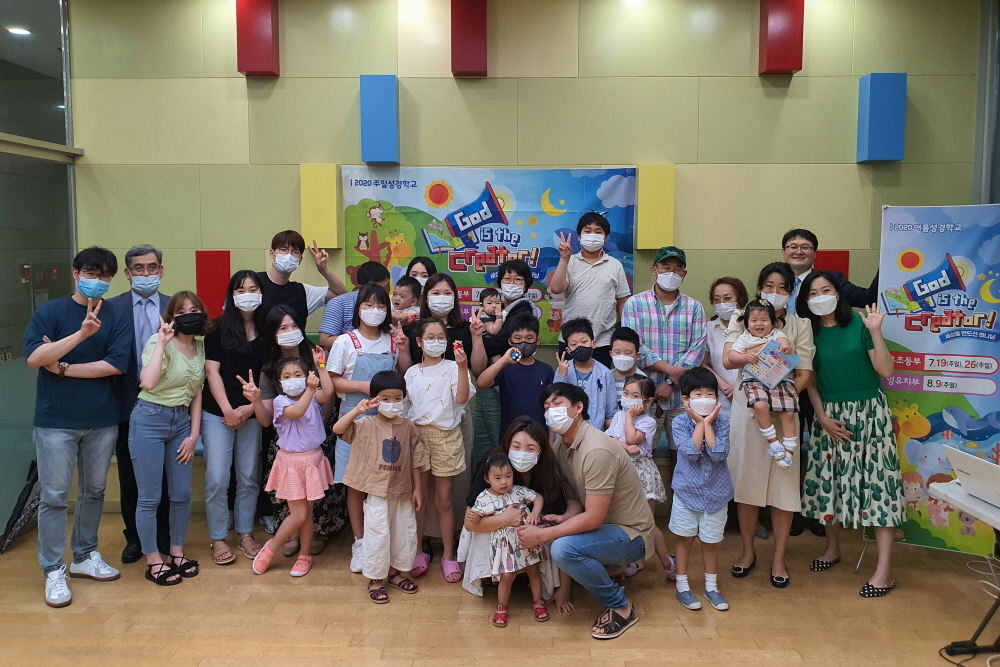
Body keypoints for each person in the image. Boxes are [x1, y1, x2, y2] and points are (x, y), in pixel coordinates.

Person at [24, 247, 130, 607]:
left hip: (102, 418)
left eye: (104, 276)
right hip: (55, 421)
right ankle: (54, 569)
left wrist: (62, 366)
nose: (97, 281)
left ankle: (84, 555)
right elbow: (35, 359)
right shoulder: (50, 312)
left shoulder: (117, 315)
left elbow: (114, 365)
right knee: (54, 495)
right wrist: (81, 336)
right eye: (90, 273)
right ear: (75, 273)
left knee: (94, 491)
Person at [517, 384, 655, 640]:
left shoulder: (596, 450)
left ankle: (620, 606)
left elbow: (593, 518)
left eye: (557, 404)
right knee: (555, 531)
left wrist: (542, 535)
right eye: (546, 407)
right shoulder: (561, 448)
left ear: (578, 407)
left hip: (630, 534)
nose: (550, 412)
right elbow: (574, 497)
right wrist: (565, 517)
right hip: (603, 529)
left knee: (563, 548)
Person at [796, 272, 902, 597]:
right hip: (829, 415)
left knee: (879, 487)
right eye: (813, 292)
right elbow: (810, 382)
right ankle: (832, 549)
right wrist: (822, 418)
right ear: (805, 300)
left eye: (826, 290)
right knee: (830, 483)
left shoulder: (860, 323)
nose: (820, 297)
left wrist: (876, 332)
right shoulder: (808, 333)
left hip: (870, 414)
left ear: (838, 294)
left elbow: (886, 370)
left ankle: (883, 572)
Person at [721, 262, 814, 589]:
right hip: (748, 410)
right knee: (746, 485)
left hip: (785, 411)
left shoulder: (800, 325)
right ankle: (748, 552)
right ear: (760, 288)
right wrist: (761, 361)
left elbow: (804, 372)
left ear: (791, 291)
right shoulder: (741, 317)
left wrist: (780, 397)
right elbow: (729, 359)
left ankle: (778, 558)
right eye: (769, 286)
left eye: (782, 287)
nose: (775, 292)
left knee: (784, 489)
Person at [461, 417, 581, 615]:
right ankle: (492, 574)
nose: (522, 453)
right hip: (495, 527)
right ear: (507, 445)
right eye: (516, 447)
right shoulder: (492, 466)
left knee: (551, 533)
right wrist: (505, 519)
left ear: (541, 451)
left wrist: (564, 589)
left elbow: (563, 528)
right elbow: (470, 524)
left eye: (530, 448)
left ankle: (534, 581)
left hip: (531, 530)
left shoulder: (547, 473)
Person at [329, 284, 411, 574]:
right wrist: (365, 387)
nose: (374, 311)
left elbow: (405, 375)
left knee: (384, 481)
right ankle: (360, 542)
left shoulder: (392, 341)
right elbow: (333, 381)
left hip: (388, 425)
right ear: (358, 309)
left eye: (380, 306)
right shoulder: (345, 342)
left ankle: (383, 542)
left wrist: (404, 350)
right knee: (356, 484)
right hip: (355, 422)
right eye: (368, 305)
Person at [130, 290, 208, 586]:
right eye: (181, 311)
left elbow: (197, 392)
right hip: (149, 419)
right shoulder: (157, 341)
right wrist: (162, 343)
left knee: (181, 494)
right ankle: (153, 560)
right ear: (171, 317)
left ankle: (177, 552)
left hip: (181, 423)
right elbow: (148, 382)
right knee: (150, 497)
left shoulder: (200, 345)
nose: (189, 315)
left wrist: (193, 435)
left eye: (194, 310)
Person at [255, 305, 345, 552]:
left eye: (294, 326)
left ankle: (314, 533)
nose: (290, 331)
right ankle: (291, 534)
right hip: (289, 438)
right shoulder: (269, 369)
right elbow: (268, 418)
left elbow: (328, 394)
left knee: (317, 489)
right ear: (272, 334)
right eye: (282, 328)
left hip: (318, 432)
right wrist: (254, 402)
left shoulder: (316, 355)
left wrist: (318, 424)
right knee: (292, 490)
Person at [334, 370, 427, 602]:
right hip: (376, 493)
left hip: (403, 493)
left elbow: (416, 460)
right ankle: (375, 579)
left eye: (397, 398)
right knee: (377, 536)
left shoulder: (409, 427)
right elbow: (338, 429)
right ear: (375, 399)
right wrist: (358, 410)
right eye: (385, 398)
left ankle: (394, 573)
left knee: (402, 534)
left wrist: (417, 489)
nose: (392, 403)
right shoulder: (366, 424)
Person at [106, 244, 171, 563]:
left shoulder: (174, 306)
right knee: (130, 476)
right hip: (126, 404)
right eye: (139, 268)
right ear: (128, 273)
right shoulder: (110, 308)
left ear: (161, 270)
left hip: (168, 404)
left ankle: (163, 536)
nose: (146, 273)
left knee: (166, 475)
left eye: (152, 267)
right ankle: (135, 538)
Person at [247, 354, 335, 577]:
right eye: (287, 376)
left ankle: (304, 555)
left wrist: (321, 365)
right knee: (298, 514)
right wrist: (310, 389)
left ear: (307, 377)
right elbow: (297, 412)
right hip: (292, 464)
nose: (293, 379)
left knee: (307, 513)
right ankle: (272, 548)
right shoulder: (281, 401)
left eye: (298, 374)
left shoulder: (312, 394)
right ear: (279, 382)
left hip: (313, 460)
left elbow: (328, 391)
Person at [202, 270, 267, 565]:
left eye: (253, 289)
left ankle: (244, 533)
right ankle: (218, 538)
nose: (247, 295)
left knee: (249, 476)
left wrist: (250, 408)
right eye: (240, 290)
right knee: (217, 477)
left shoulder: (268, 329)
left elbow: (271, 376)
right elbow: (211, 370)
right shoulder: (216, 328)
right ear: (231, 295)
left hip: (252, 413)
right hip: (218, 413)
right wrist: (228, 410)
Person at [405, 317, 475, 584]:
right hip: (417, 437)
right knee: (419, 498)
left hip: (447, 437)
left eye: (441, 337)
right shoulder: (411, 373)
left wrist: (463, 366)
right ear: (419, 342)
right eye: (430, 337)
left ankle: (448, 555)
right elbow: (405, 409)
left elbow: (461, 399)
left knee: (444, 500)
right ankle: (417, 550)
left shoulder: (454, 368)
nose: (436, 342)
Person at [621, 246, 707, 456]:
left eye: (677, 269)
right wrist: (671, 372)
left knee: (685, 455)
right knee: (642, 452)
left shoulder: (694, 307)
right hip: (646, 396)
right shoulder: (634, 304)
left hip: (683, 397)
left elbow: (697, 349)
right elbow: (634, 346)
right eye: (666, 267)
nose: (672, 273)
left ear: (684, 274)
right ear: (654, 270)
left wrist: (669, 382)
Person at [669, 368, 733, 612]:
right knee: (684, 540)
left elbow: (718, 454)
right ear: (686, 399)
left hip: (717, 495)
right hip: (686, 493)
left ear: (717, 398)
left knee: (710, 542)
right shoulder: (679, 422)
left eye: (710, 394)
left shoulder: (723, 423)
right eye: (698, 394)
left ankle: (711, 587)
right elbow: (691, 453)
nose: (705, 398)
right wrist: (700, 424)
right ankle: (682, 586)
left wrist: (708, 424)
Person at [604, 375, 674, 580]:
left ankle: (668, 565)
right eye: (626, 393)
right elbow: (608, 439)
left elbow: (633, 438)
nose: (628, 398)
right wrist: (625, 446)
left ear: (648, 401)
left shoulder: (648, 421)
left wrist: (628, 418)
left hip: (641, 475)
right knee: (622, 522)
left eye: (635, 395)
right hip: (620, 473)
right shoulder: (617, 416)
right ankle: (631, 561)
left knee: (646, 523)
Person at [467, 453, 548, 627]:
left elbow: (538, 497)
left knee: (533, 571)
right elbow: (476, 519)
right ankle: (502, 608)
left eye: (508, 476)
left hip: (526, 540)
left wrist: (535, 512)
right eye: (497, 478)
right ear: (487, 479)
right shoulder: (483, 498)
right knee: (507, 576)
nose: (504, 482)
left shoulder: (518, 491)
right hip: (505, 547)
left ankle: (538, 602)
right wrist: (475, 517)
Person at [548, 212, 631, 367]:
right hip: (571, 340)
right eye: (587, 231)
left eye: (598, 232)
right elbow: (556, 289)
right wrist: (564, 258)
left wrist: (626, 332)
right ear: (579, 237)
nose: (593, 235)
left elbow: (622, 301)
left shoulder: (615, 265)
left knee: (601, 381)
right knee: (569, 381)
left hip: (603, 342)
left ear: (605, 238)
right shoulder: (570, 261)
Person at [728, 301, 798, 469]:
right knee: (760, 406)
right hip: (754, 380)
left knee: (788, 414)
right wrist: (745, 357)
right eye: (754, 320)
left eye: (764, 320)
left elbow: (784, 342)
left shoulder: (776, 334)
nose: (759, 323)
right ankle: (773, 442)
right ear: (747, 323)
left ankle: (789, 452)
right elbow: (731, 356)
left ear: (773, 322)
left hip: (778, 380)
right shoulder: (745, 338)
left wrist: (786, 347)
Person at [476, 315, 554, 439]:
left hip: (539, 434)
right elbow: (481, 383)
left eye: (529, 338)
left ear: (537, 341)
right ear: (510, 342)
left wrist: (551, 440)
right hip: (509, 433)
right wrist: (504, 360)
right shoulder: (505, 367)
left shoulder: (546, 370)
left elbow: (552, 408)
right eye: (518, 338)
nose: (523, 342)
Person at [257, 230, 347, 323]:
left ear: (300, 260)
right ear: (272, 253)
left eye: (295, 252)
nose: (289, 255)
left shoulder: (303, 292)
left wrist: (323, 270)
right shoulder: (254, 283)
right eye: (283, 249)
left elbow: (342, 295)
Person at [781, 228, 878, 315]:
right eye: (793, 247)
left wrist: (885, 265)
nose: (799, 252)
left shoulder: (831, 279)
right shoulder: (773, 280)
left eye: (805, 247)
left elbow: (867, 298)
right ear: (783, 252)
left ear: (815, 254)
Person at [555, 318, 616, 430]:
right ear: (568, 350)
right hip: (567, 433)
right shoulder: (562, 370)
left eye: (584, 342)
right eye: (574, 344)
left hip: (595, 434)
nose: (580, 347)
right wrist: (562, 376)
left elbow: (610, 413)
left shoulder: (605, 373)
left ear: (593, 344)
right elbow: (556, 404)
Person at [701, 277, 748, 418]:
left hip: (750, 396)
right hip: (721, 398)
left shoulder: (753, 326)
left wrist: (739, 387)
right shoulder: (708, 328)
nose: (722, 303)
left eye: (727, 298)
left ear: (739, 299)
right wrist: (723, 386)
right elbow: (703, 363)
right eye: (717, 300)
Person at [318, 261, 391, 350]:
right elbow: (325, 341)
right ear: (360, 288)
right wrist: (361, 338)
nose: (383, 293)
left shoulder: (391, 303)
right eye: (376, 289)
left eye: (387, 287)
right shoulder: (338, 303)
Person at [472, 287, 504, 463]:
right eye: (490, 303)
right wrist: (499, 319)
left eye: (497, 303)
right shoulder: (484, 319)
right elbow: (494, 331)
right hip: (486, 359)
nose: (494, 306)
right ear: (482, 306)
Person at [481, 259, 537, 360]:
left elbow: (501, 341)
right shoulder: (497, 307)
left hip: (511, 362)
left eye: (518, 279)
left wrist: (476, 348)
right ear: (500, 283)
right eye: (507, 278)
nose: (512, 283)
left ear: (525, 286)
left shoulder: (524, 310)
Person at [608, 327, 647, 410]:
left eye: (628, 353)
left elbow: (644, 409)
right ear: (611, 353)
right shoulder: (606, 377)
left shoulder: (642, 380)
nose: (622, 356)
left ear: (637, 355)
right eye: (617, 352)